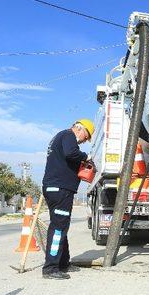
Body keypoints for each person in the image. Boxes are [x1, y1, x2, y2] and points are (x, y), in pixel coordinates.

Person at [41, 119, 95, 280]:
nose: (85, 140)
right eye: (86, 136)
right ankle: (50, 268)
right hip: (60, 189)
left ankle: (63, 262)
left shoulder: (60, 137)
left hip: (55, 188)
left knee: (61, 225)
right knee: (58, 228)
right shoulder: (68, 135)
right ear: (80, 128)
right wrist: (86, 157)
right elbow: (70, 153)